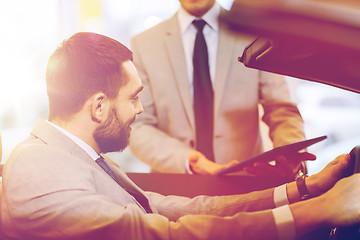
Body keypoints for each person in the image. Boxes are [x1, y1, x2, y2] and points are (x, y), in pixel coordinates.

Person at [1, 32, 360, 240]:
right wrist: (321, 210)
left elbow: (181, 209)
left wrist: (305, 190)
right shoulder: (39, 169)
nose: (140, 110)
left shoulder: (76, 157)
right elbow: (163, 235)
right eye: (134, 97)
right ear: (98, 107)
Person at [128, 0, 307, 176]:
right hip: (175, 184)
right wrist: (186, 160)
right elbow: (138, 126)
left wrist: (291, 152)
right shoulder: (144, 45)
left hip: (245, 183)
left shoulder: (255, 35)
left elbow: (281, 110)